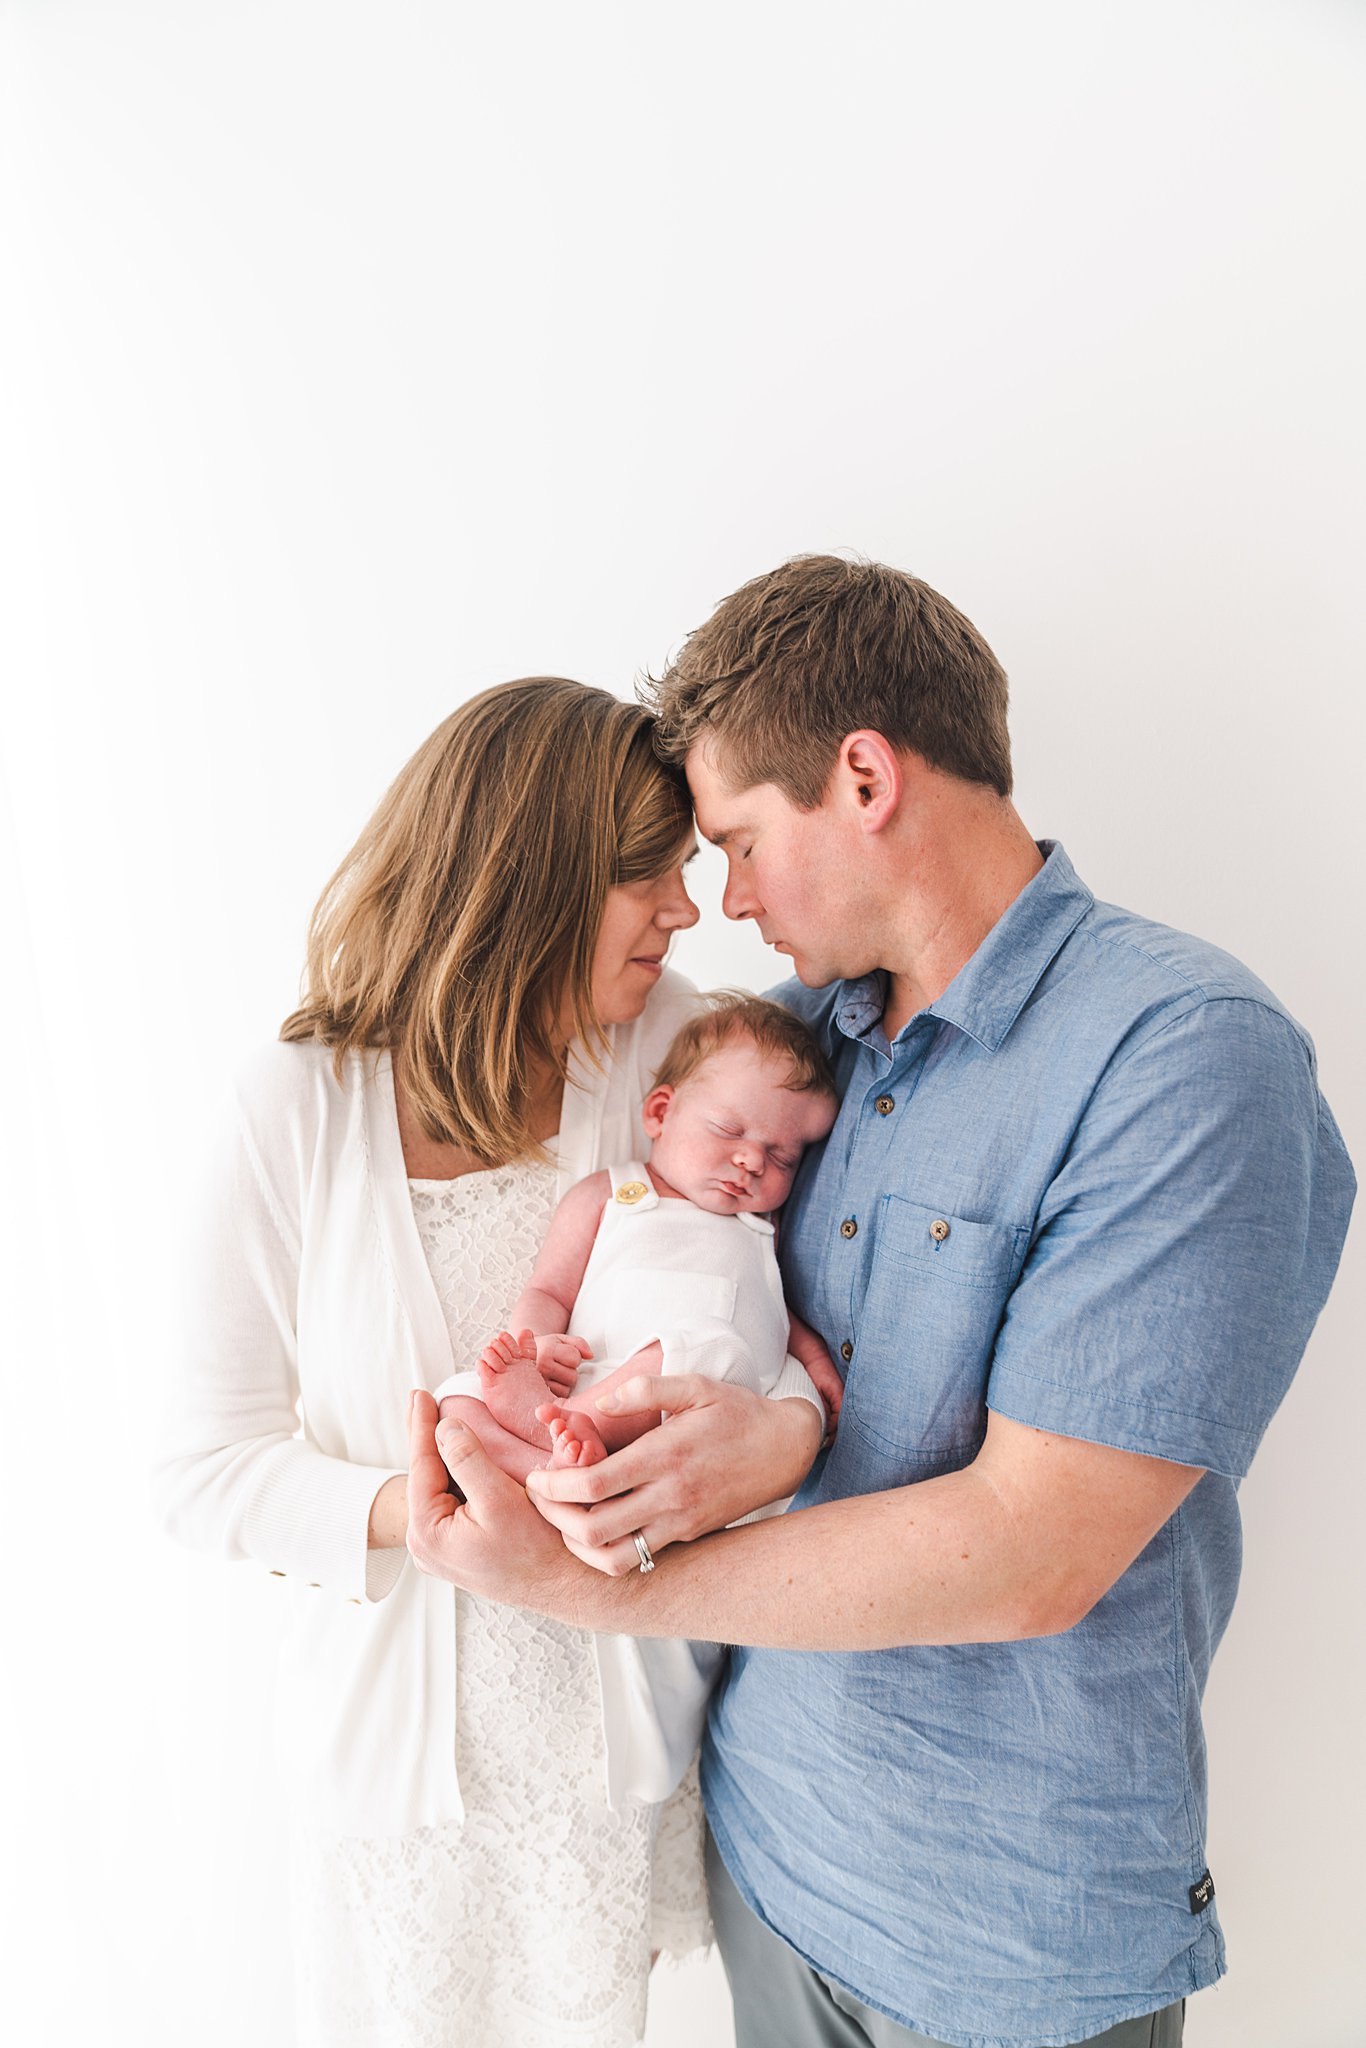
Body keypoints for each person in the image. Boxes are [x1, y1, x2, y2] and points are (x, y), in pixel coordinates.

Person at [406, 558, 1357, 2048]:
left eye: (733, 840)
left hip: (1003, 1950)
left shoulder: (1180, 1056)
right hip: (766, 1857)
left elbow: (1030, 1552)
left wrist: (591, 1589)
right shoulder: (786, 1056)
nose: (721, 898)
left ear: (860, 776)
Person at [153, 677, 828, 2048]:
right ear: (524, 874)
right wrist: (431, 1510)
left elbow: (783, 1309)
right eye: (645, 876)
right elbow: (198, 1471)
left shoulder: (670, 1050)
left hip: (603, 1762)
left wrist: (790, 1434)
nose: (684, 910)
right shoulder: (294, 1106)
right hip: (399, 1790)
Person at [435, 994, 841, 1481]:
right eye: (729, 1129)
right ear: (660, 1112)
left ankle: (560, 1443)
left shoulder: (760, 1226)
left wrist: (814, 1359)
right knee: (455, 1400)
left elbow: (771, 1307)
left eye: (782, 1159)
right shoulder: (607, 1195)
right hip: (593, 1380)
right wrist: (538, 1347)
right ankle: (547, 1458)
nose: (753, 1161)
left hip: (698, 1399)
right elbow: (548, 1289)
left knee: (707, 1344)